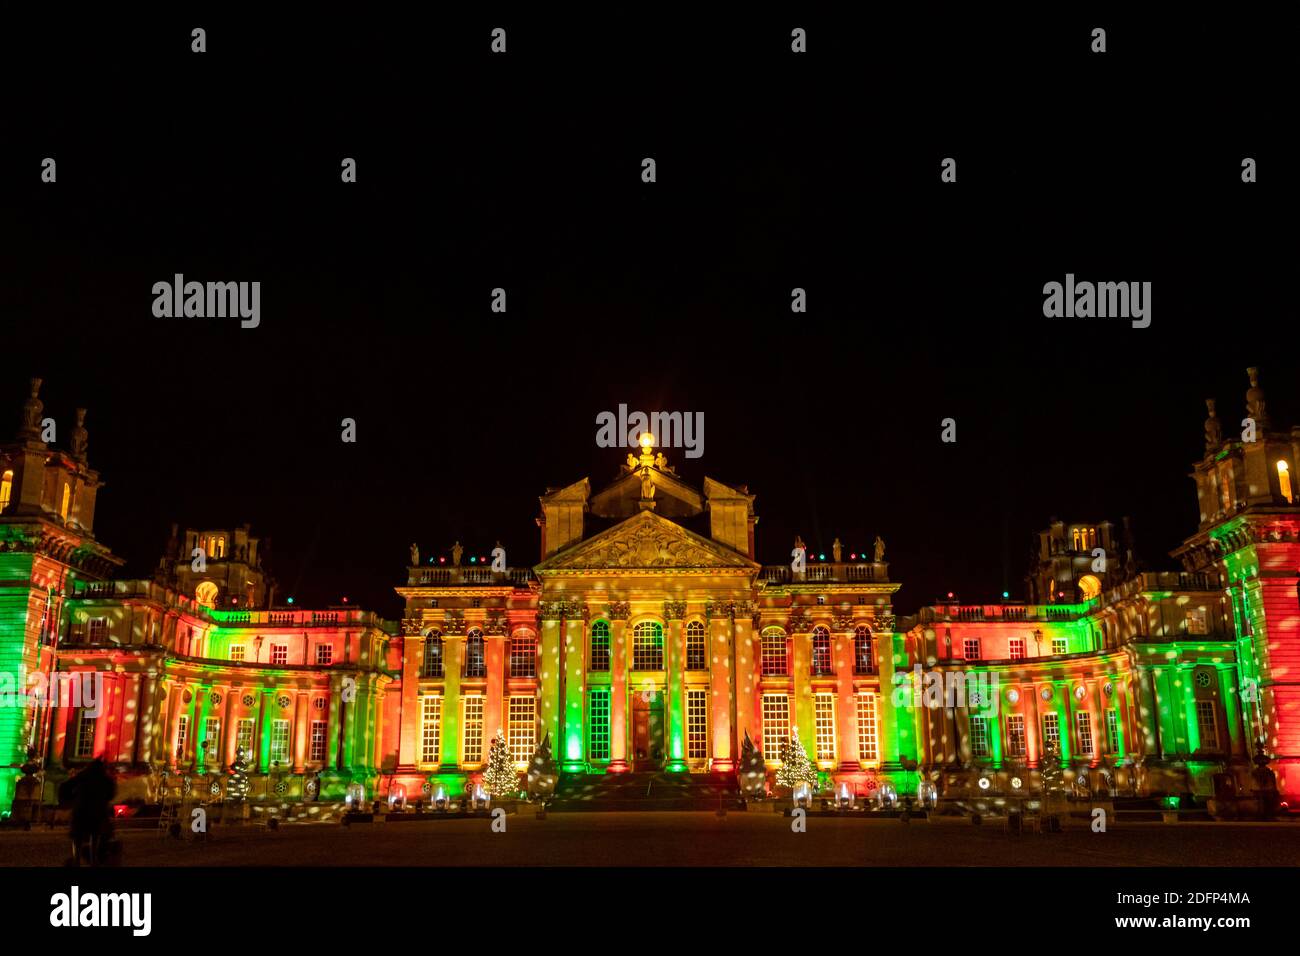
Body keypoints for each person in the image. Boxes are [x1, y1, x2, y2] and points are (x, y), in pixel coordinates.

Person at [60, 758, 117, 866]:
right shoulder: (105, 779)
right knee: (95, 835)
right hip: (97, 811)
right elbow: (111, 793)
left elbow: (66, 786)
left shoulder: (83, 776)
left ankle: (76, 859)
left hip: (81, 810)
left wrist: (72, 799)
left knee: (78, 837)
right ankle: (93, 859)